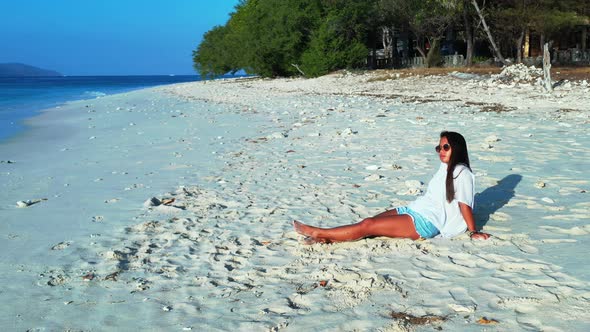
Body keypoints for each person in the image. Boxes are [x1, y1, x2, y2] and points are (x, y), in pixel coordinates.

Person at [293, 131, 491, 244]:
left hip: (427, 222)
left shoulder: (462, 173)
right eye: (439, 147)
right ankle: (329, 238)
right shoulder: (445, 167)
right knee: (368, 223)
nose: (441, 151)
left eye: (446, 147)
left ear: (457, 148)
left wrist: (473, 231)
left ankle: (319, 232)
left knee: (368, 225)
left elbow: (465, 205)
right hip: (414, 209)